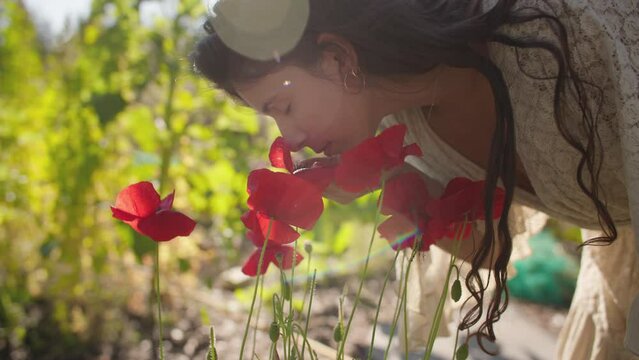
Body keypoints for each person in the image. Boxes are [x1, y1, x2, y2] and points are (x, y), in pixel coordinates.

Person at [191, 0, 639, 358]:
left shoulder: (560, 29)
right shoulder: (411, 132)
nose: (289, 140)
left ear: (337, 57)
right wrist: (396, 181)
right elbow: (493, 249)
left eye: (282, 107)